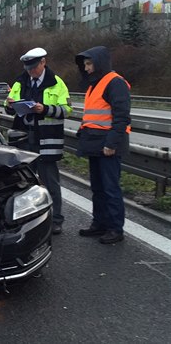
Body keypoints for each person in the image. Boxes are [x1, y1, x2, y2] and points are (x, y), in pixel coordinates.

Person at [5, 47, 72, 235]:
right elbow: (9, 104)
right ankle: (30, 220)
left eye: (33, 67)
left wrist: (45, 109)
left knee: (50, 182)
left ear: (43, 62)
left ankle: (56, 220)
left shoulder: (56, 83)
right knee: (24, 183)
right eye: (27, 68)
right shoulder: (21, 81)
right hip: (24, 139)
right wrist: (10, 104)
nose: (30, 71)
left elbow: (67, 109)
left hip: (47, 140)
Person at [75, 46, 131, 244]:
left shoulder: (115, 83)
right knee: (98, 188)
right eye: (85, 65)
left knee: (110, 188)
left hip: (108, 144)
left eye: (89, 64)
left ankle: (115, 228)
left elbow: (121, 117)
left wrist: (111, 143)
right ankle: (99, 223)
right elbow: (93, 114)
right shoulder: (95, 84)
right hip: (94, 142)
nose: (87, 68)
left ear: (99, 63)